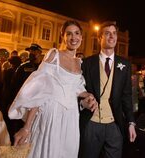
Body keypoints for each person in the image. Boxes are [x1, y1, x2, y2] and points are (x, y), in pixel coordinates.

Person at [8, 20, 97, 158]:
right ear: (63, 37)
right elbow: (39, 92)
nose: (73, 37)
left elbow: (75, 89)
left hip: (71, 118)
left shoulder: (79, 62)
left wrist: (89, 95)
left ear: (81, 37)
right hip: (51, 115)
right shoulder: (54, 55)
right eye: (69, 34)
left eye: (77, 33)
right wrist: (27, 127)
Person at [79, 21, 137, 158]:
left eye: (114, 33)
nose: (112, 36)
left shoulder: (125, 64)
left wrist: (131, 122)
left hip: (114, 124)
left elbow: (127, 96)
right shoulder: (87, 63)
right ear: (100, 38)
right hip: (91, 124)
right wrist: (82, 104)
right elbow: (78, 91)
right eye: (107, 33)